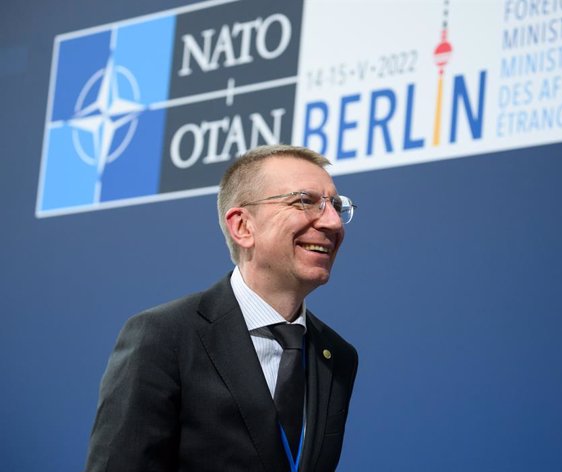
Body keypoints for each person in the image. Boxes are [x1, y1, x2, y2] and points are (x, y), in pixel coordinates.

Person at [85, 145, 359, 472]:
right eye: (305, 201)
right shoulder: (164, 337)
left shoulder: (336, 357)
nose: (333, 222)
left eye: (337, 206)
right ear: (243, 227)